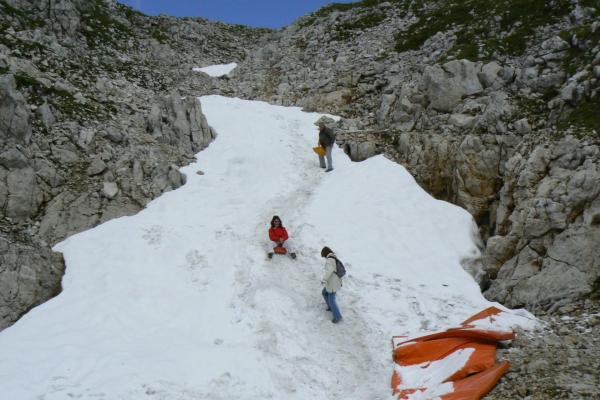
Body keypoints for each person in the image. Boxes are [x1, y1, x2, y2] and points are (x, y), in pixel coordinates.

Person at [320, 246, 342, 323]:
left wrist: (323, 279)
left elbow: (329, 271)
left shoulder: (329, 260)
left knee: (331, 299)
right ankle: (331, 307)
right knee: (324, 292)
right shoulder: (334, 258)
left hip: (332, 283)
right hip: (334, 282)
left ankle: (337, 316)